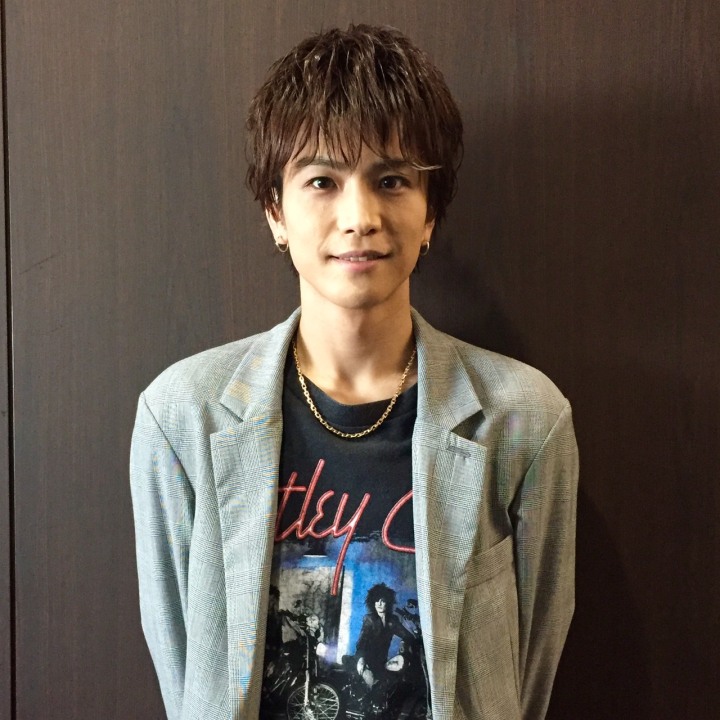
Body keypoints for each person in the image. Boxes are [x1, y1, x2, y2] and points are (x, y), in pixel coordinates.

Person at [130, 24, 578, 720]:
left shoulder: (522, 419)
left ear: (430, 214)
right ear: (275, 211)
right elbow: (186, 664)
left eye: (391, 180)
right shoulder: (182, 416)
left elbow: (529, 666)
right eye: (322, 181)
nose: (360, 216)